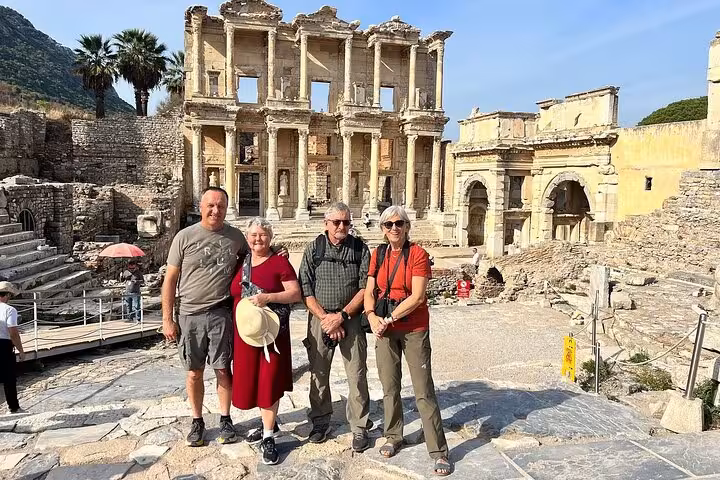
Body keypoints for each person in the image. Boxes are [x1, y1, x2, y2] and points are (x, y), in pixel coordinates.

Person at [363, 205, 452, 476]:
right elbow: (369, 290)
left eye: (399, 223)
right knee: (389, 386)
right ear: (382, 229)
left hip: (413, 327)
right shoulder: (377, 254)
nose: (394, 228)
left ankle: (438, 450)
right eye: (389, 224)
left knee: (423, 389)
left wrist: (387, 318)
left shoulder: (418, 253)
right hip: (385, 328)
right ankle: (393, 435)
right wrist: (371, 316)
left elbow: (417, 296)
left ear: (407, 227)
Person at [162, 187, 247, 448]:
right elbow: (170, 280)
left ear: (227, 207)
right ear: (201, 207)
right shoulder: (184, 237)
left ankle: (225, 418)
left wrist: (278, 254)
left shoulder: (235, 237)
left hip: (221, 313)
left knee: (223, 369)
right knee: (194, 372)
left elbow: (253, 258)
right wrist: (167, 319)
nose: (216, 210)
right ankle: (197, 420)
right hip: (190, 313)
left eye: (221, 205)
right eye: (211, 205)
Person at [298, 203, 372, 452]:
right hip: (320, 319)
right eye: (337, 222)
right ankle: (320, 421)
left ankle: (360, 426)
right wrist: (326, 318)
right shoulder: (314, 249)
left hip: (350, 317)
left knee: (357, 373)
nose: (342, 227)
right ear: (326, 223)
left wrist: (340, 316)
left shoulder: (360, 249)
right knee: (319, 372)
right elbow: (305, 288)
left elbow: (365, 288)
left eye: (347, 222)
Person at [231, 217, 301, 465]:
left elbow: (295, 293)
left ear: (270, 237)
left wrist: (268, 297)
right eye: (253, 235)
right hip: (247, 334)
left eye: (262, 234)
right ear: (247, 238)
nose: (258, 238)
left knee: (269, 381)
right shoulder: (241, 261)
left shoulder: (280, 262)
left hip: (271, 335)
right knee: (253, 382)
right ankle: (266, 424)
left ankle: (269, 436)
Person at [0, 281, 23, 414]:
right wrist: (21, 350)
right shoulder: (9, 310)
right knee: (9, 377)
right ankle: (13, 407)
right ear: (8, 294)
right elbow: (13, 332)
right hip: (3, 344)